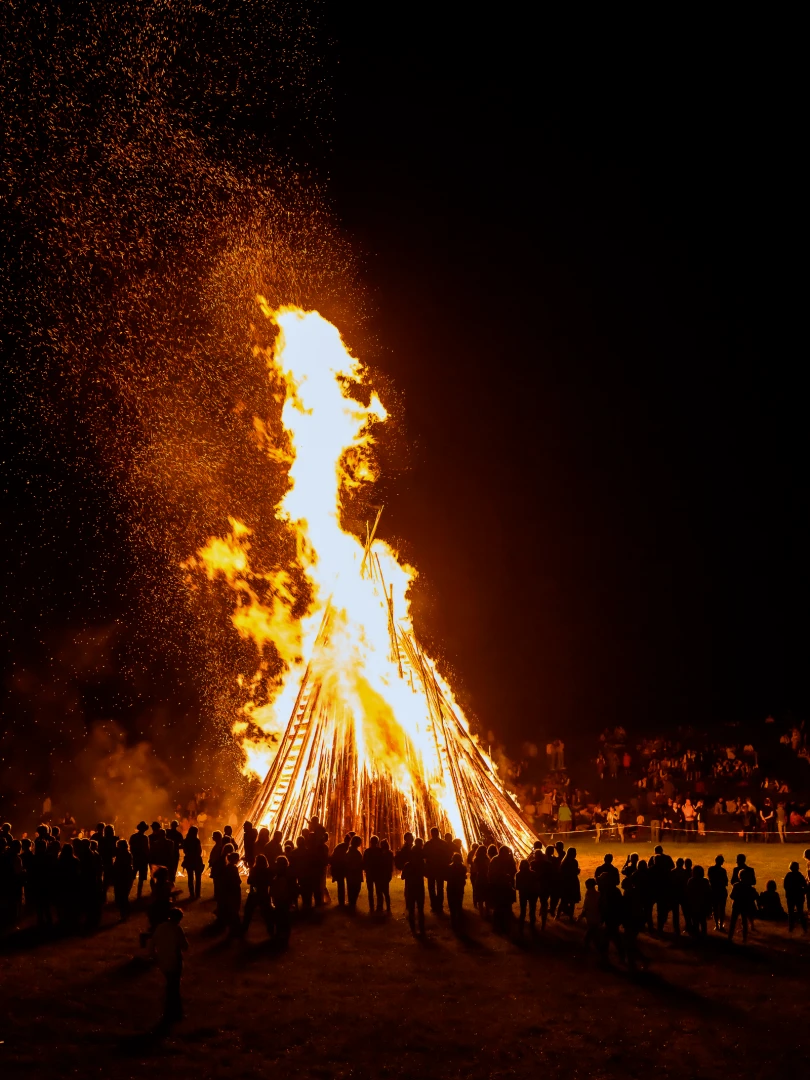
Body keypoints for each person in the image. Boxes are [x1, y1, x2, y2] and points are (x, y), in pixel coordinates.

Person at [151, 907, 188, 1024]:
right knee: (174, 987)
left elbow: (152, 944)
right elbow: (185, 946)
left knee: (170, 985)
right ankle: (175, 1013)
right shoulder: (177, 929)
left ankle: (170, 1011)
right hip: (175, 961)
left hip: (163, 960)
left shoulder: (160, 927)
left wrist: (155, 956)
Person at [243, 853, 274, 934]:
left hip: (254, 891)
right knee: (267, 912)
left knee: (248, 911)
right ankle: (271, 929)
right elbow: (270, 883)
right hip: (264, 892)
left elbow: (249, 881)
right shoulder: (268, 871)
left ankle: (244, 928)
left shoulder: (254, 870)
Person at [423, 827, 451, 914]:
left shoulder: (428, 844)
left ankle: (434, 905)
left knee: (432, 888)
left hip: (432, 869)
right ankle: (439, 905)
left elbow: (424, 856)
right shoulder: (443, 843)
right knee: (439, 888)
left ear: (431, 833)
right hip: (439, 869)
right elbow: (448, 856)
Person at [402, 838, 426, 935]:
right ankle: (422, 928)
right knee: (420, 909)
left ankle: (413, 930)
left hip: (410, 888)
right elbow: (425, 873)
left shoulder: (407, 865)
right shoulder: (421, 864)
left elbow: (403, 877)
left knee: (411, 909)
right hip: (419, 888)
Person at [728, 871, 756, 943]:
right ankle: (744, 938)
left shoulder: (736, 885)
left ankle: (730, 937)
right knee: (744, 922)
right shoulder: (750, 888)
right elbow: (754, 897)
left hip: (736, 905)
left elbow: (732, 896)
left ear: (739, 877)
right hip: (745, 905)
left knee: (733, 922)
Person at [686, 865, 712, 937]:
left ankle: (696, 935)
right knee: (703, 921)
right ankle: (704, 935)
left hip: (694, 904)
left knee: (695, 921)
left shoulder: (691, 881)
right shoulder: (705, 881)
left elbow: (688, 893)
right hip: (703, 904)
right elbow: (708, 893)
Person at [112, 838, 135, 921]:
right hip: (125, 877)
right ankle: (125, 913)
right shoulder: (127, 854)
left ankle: (124, 913)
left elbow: (119, 866)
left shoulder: (122, 855)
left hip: (121, 877)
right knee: (123, 896)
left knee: (121, 896)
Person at [515, 858, 538, 933]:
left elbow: (517, 887)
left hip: (523, 894)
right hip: (532, 894)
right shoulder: (533, 873)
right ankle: (532, 925)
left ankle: (521, 926)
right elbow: (536, 884)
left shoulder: (518, 874)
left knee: (523, 910)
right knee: (532, 909)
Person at [783, 861, 807, 932]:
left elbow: (785, 886)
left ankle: (791, 928)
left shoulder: (788, 875)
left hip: (790, 896)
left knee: (790, 912)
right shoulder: (800, 875)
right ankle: (804, 928)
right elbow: (805, 886)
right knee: (800, 912)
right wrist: (803, 892)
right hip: (799, 896)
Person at [362, 835, 384, 913]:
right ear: (377, 842)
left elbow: (363, 862)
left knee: (370, 892)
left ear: (371, 842)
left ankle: (371, 907)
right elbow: (382, 862)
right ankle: (379, 907)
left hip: (370, 873)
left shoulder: (367, 851)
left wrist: (365, 870)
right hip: (378, 873)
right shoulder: (380, 851)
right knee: (379, 891)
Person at [558, 847, 581, 921]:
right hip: (571, 882)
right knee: (571, 901)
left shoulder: (564, 862)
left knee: (565, 900)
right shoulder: (572, 862)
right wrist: (577, 871)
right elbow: (573, 872)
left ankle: (559, 915)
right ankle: (569, 916)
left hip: (567, 883)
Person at [446, 852, 468, 929]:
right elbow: (464, 877)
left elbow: (446, 877)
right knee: (458, 904)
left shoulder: (449, 867)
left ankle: (453, 922)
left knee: (452, 905)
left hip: (451, 888)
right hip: (459, 888)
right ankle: (459, 921)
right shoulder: (463, 868)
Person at [129, 821, 150, 900]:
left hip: (135, 859)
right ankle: (139, 894)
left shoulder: (133, 836)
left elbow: (131, 847)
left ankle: (128, 892)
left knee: (132, 877)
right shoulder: (145, 838)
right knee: (141, 878)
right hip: (142, 860)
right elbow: (146, 849)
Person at [181, 825, 203, 900]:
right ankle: (197, 894)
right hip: (196, 860)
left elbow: (184, 850)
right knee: (198, 878)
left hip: (189, 860)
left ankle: (192, 894)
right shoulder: (197, 840)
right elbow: (199, 851)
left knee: (190, 878)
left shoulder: (186, 840)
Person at [707, 855, 728, 932]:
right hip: (721, 891)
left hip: (714, 891)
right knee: (722, 909)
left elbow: (710, 880)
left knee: (715, 908)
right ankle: (721, 925)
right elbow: (726, 882)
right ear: (721, 862)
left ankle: (716, 925)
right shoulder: (723, 871)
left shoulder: (711, 869)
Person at [579, 877, 601, 949]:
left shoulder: (591, 894)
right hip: (593, 916)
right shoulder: (597, 894)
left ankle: (588, 945)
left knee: (591, 931)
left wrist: (582, 914)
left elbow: (587, 906)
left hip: (592, 916)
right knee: (593, 932)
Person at [345, 835, 364, 912]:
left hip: (350, 873)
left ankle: (351, 903)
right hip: (355, 873)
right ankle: (352, 903)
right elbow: (359, 863)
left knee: (351, 888)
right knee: (356, 888)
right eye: (360, 842)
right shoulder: (356, 853)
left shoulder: (349, 851)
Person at [330, 834, 350, 907]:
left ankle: (341, 901)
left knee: (340, 885)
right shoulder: (345, 847)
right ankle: (342, 901)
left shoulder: (340, 846)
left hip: (338, 867)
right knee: (342, 885)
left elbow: (334, 856)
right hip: (341, 868)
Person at [377, 839, 394, 914]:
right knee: (383, 891)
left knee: (382, 891)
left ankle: (383, 907)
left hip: (383, 874)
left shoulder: (385, 853)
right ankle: (384, 907)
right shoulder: (388, 853)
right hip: (384, 874)